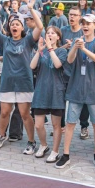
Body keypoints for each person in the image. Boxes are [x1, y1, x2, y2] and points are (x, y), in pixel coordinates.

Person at [0, 0, 43, 153]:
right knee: (4, 112)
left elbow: (40, 26)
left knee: (25, 114)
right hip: (7, 82)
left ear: (22, 27)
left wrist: (30, 8)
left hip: (24, 82)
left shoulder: (28, 40)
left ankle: (31, 141)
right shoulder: (5, 40)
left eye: (17, 24)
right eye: (12, 24)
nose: (14, 26)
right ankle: (1, 136)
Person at [59, 14, 95, 169]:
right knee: (70, 123)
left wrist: (84, 49)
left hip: (94, 90)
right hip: (76, 88)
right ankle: (65, 154)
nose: (85, 26)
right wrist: (75, 46)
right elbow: (70, 60)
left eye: (88, 23)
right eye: (83, 23)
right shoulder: (76, 40)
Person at [30, 27, 68, 162]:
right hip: (41, 90)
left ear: (58, 37)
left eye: (53, 33)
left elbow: (57, 65)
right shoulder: (42, 51)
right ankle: (43, 145)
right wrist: (39, 50)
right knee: (38, 124)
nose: (49, 35)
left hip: (56, 91)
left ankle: (55, 151)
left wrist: (50, 48)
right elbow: (32, 66)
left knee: (56, 125)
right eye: (48, 33)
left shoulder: (62, 51)